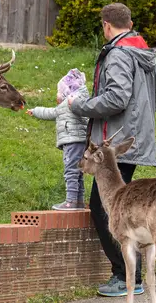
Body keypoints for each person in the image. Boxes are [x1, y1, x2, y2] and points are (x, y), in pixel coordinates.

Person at [68, 3, 156, 297]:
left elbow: (116, 98)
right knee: (123, 208)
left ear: (107, 25)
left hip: (117, 142)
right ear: (129, 22)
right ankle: (132, 274)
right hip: (134, 136)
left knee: (103, 207)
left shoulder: (119, 53)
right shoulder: (141, 50)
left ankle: (125, 276)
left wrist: (79, 105)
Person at [27, 69, 90, 210]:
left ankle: (71, 201)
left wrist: (35, 110)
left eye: (59, 91)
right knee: (78, 171)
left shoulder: (69, 103)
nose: (58, 94)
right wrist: (36, 110)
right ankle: (79, 201)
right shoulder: (81, 101)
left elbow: (51, 112)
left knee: (71, 171)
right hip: (81, 141)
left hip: (72, 141)